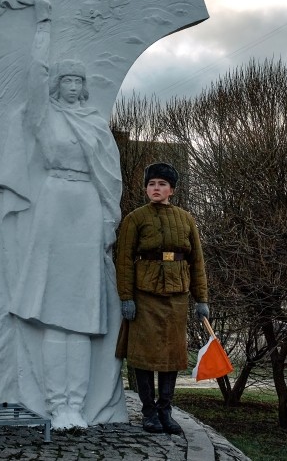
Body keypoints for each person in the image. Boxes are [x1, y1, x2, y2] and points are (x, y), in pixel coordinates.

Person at [0, 0, 122, 428]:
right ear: (57, 85)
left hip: (87, 209)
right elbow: (34, 77)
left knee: (83, 317)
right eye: (65, 80)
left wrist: (109, 220)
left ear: (84, 87)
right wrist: (44, 26)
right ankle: (58, 405)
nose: (71, 86)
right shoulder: (43, 116)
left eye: (77, 81)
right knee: (53, 314)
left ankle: (77, 404)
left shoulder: (95, 125)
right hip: (52, 206)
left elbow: (111, 179)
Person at [115, 163, 209, 434]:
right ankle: (148, 413)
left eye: (162, 184)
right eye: (151, 184)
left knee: (172, 355)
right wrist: (126, 298)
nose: (156, 189)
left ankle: (166, 411)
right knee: (144, 356)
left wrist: (201, 299)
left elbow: (197, 262)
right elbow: (124, 261)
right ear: (146, 188)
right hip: (144, 297)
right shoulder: (135, 218)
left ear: (172, 190)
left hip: (177, 297)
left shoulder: (186, 219)